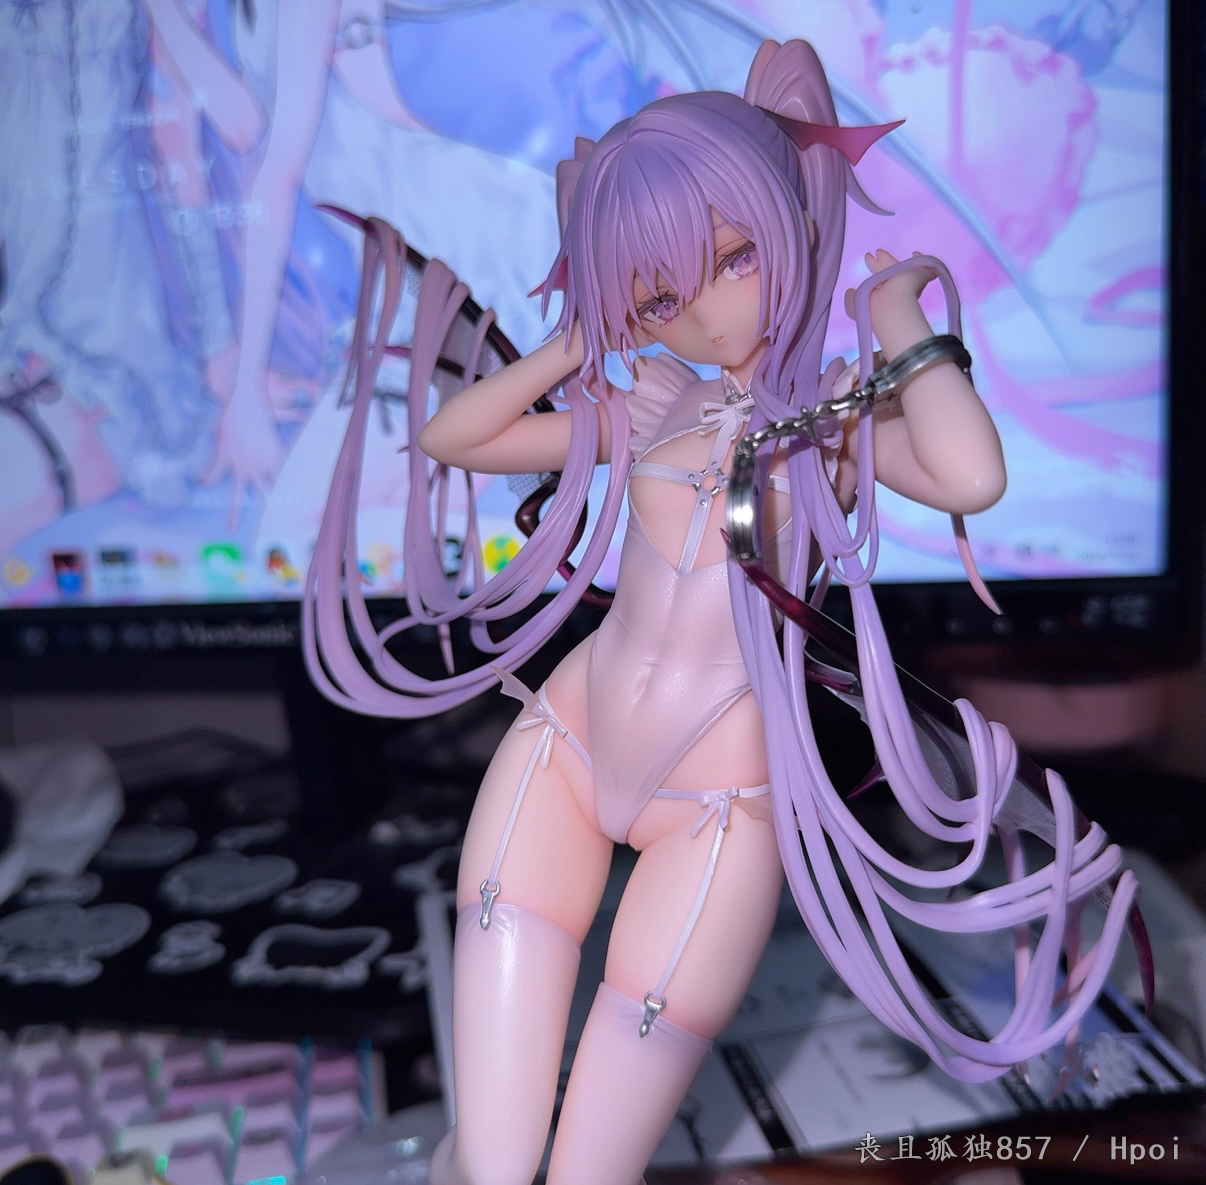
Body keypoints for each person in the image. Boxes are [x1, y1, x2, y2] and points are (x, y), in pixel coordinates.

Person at [306, 39, 1138, 1185]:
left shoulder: (834, 421)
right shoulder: (653, 404)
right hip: (569, 737)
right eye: (659, 293)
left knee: (593, 1166)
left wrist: (899, 320)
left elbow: (970, 475)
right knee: (489, 1159)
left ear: (788, 224)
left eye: (736, 256)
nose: (703, 311)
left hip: (720, 799)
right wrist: (572, 342)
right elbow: (460, 437)